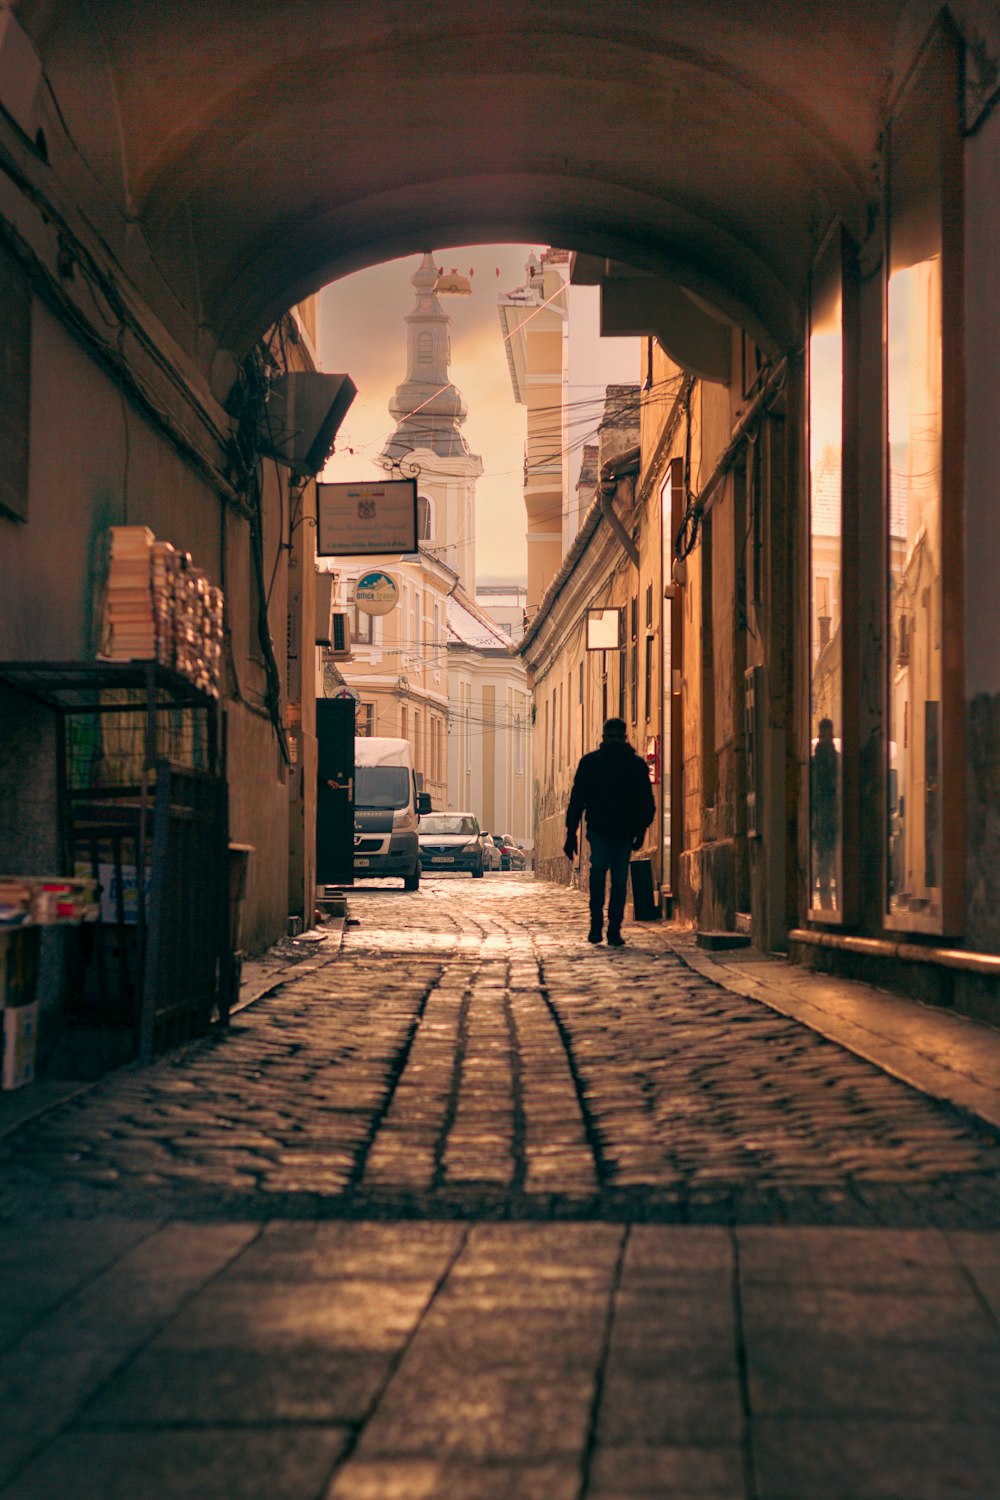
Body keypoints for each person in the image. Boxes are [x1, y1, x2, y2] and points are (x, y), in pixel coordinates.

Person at [564, 717, 655, 947]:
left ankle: (614, 928)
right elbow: (577, 800)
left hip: (624, 833)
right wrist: (570, 833)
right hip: (599, 831)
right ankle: (596, 924)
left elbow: (646, 802)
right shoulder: (591, 764)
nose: (614, 741)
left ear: (624, 738)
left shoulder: (635, 766)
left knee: (619, 880)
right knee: (597, 873)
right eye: (610, 737)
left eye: (618, 737)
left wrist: (640, 830)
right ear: (603, 738)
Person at [811, 716, 840, 909]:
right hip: (824, 817)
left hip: (829, 817)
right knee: (824, 864)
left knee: (827, 864)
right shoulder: (825, 759)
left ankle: (830, 905)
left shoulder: (830, 758)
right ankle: (828, 905)